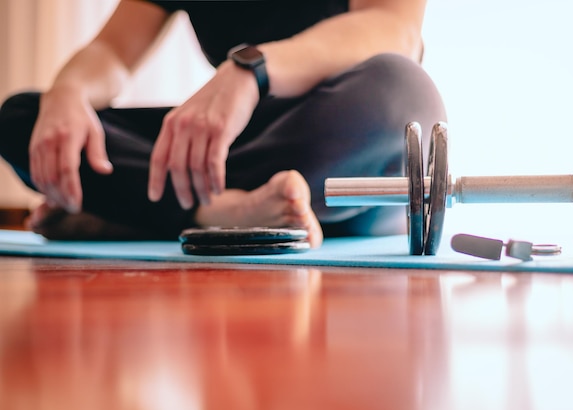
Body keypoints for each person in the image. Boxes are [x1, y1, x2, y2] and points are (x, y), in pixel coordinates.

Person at [0, 0, 446, 248]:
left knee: (406, 95)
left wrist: (254, 70)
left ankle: (142, 210)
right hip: (234, 153)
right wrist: (69, 91)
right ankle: (223, 211)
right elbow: (113, 51)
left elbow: (395, 28)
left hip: (336, 149)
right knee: (23, 117)